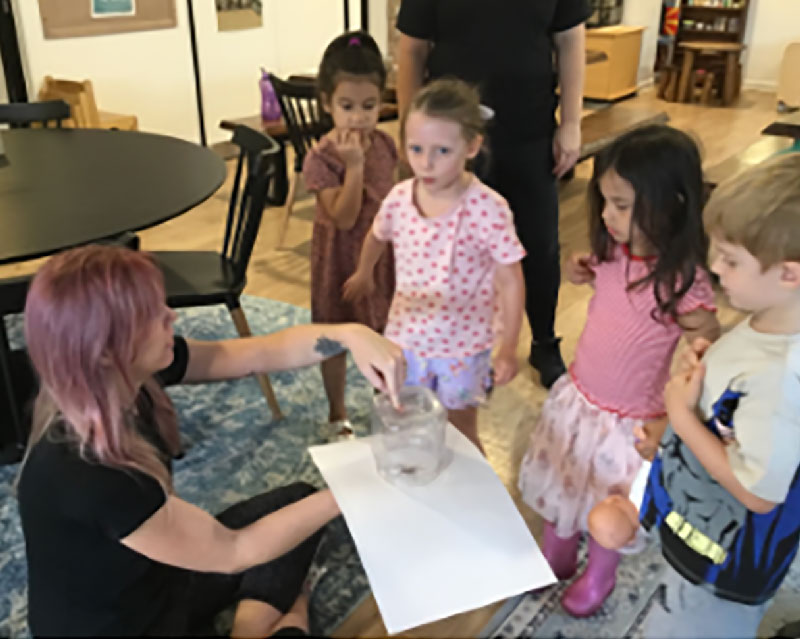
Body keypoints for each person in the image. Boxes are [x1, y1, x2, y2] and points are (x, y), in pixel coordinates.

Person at [15, 245, 406, 637]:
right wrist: (356, 484)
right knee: (285, 550)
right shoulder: (89, 471)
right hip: (125, 627)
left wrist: (350, 334)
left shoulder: (124, 379)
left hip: (159, 581)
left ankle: (262, 623)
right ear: (103, 350)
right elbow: (234, 551)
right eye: (151, 314)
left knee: (297, 503)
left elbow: (257, 353)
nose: (172, 314)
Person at [589, 153, 800, 639]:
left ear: (788, 274)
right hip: (698, 528)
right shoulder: (767, 319)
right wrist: (705, 389)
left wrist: (682, 419)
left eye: (730, 259)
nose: (714, 267)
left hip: (725, 566)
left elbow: (759, 492)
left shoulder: (780, 379)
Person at [517, 125, 721, 617]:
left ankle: (601, 574)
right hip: (581, 399)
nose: (607, 216)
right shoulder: (613, 254)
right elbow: (606, 294)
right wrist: (579, 269)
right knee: (564, 474)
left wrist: (677, 419)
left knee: (609, 503)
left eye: (622, 205)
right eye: (604, 202)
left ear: (671, 203)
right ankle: (558, 551)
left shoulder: (682, 282)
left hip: (632, 421)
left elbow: (707, 353)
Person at [395, 0, 591, 388]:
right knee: (450, 245)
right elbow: (412, 48)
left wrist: (571, 122)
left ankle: (544, 341)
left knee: (538, 243)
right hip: (450, 136)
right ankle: (455, 344)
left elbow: (569, 39)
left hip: (530, 128)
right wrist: (410, 131)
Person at [342, 79, 525, 453]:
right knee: (406, 423)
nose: (426, 162)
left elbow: (510, 280)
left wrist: (508, 347)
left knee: (460, 433)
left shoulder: (488, 208)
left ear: (471, 146)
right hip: (406, 340)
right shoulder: (399, 198)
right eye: (416, 149)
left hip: (462, 346)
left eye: (442, 150)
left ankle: (475, 503)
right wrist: (364, 272)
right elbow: (377, 235)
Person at [303, 31, 397, 440]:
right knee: (334, 335)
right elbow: (342, 218)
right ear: (327, 104)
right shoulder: (320, 157)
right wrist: (354, 166)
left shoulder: (387, 144)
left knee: (383, 329)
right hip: (339, 258)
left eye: (369, 106)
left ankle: (385, 398)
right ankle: (337, 411)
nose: (358, 117)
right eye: (346, 106)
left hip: (379, 257)